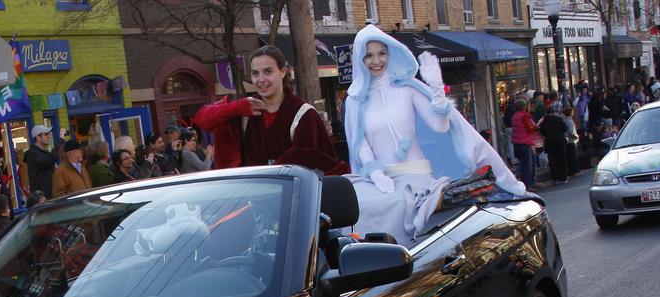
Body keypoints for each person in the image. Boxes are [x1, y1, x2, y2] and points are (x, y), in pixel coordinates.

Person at [342, 25, 525, 244]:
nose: (376, 61)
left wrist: (437, 89)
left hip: (416, 178)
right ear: (360, 59)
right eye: (369, 55)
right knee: (357, 209)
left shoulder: (407, 88)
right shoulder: (354, 100)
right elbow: (359, 145)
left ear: (391, 53)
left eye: (382, 53)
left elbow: (440, 126)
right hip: (380, 182)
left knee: (405, 207)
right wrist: (375, 173)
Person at [195, 45, 347, 174]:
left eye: (268, 72)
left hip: (291, 200)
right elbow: (202, 120)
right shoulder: (243, 111)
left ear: (282, 71)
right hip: (251, 199)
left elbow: (318, 167)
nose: (261, 79)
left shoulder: (303, 114)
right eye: (255, 73)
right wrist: (237, 107)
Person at [511, 98, 539, 191]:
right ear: (524, 106)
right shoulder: (525, 115)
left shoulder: (514, 116)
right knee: (529, 164)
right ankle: (529, 184)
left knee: (522, 164)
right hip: (526, 142)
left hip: (517, 142)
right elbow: (530, 128)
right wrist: (536, 126)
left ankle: (524, 184)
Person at [25, 124, 58, 198]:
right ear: (38, 137)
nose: (49, 136)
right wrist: (61, 141)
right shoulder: (31, 153)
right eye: (46, 134)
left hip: (50, 195)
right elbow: (49, 160)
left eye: (49, 134)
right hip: (41, 198)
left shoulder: (45, 153)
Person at [538, 106, 568, 184]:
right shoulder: (558, 119)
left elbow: (542, 131)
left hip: (549, 140)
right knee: (561, 158)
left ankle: (555, 177)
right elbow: (565, 128)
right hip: (560, 140)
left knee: (552, 159)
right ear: (553, 112)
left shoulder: (544, 121)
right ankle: (563, 177)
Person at [561, 107, 581, 177]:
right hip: (572, 140)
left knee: (570, 157)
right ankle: (575, 171)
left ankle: (572, 171)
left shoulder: (564, 120)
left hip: (567, 140)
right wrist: (576, 136)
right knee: (573, 156)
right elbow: (571, 132)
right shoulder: (570, 121)